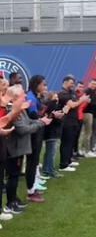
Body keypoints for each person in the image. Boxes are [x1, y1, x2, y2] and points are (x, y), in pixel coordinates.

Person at [2, 85, 51, 214]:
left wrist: (40, 121)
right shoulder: (12, 110)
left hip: (19, 147)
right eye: (23, 94)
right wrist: (41, 123)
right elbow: (23, 129)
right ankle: (10, 203)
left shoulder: (20, 109)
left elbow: (28, 122)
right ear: (15, 97)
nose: (25, 96)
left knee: (15, 176)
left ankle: (14, 199)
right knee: (12, 176)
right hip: (13, 148)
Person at [58, 76, 88, 172]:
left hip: (73, 121)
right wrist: (82, 100)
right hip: (66, 122)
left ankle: (69, 160)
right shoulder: (62, 93)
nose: (72, 85)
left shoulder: (71, 93)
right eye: (71, 83)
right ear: (65, 82)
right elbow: (72, 105)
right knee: (66, 143)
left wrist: (79, 100)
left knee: (71, 142)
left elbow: (75, 102)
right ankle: (63, 165)